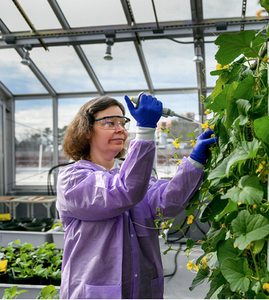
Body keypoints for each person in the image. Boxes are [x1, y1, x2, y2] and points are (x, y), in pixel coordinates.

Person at [56, 94, 218, 299]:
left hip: (141, 289)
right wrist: (146, 130)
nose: (120, 129)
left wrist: (195, 160)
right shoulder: (72, 179)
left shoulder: (131, 175)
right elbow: (122, 192)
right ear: (86, 131)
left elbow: (166, 203)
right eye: (109, 123)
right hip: (95, 291)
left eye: (123, 122)